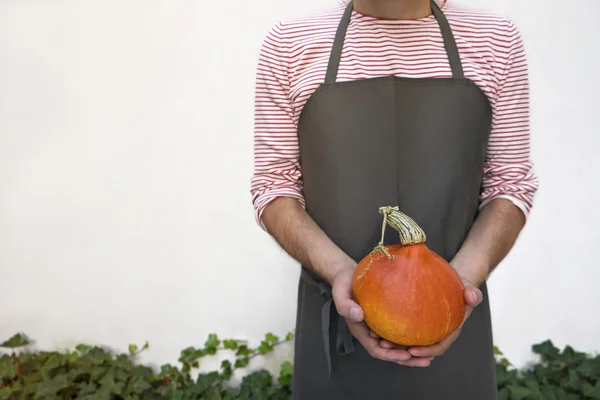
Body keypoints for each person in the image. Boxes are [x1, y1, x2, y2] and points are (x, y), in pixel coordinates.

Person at [250, 0, 539, 398]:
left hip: (456, 327)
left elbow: (510, 185)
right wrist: (340, 274)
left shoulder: (495, 41)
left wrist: (459, 286)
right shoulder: (291, 43)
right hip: (337, 332)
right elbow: (274, 187)